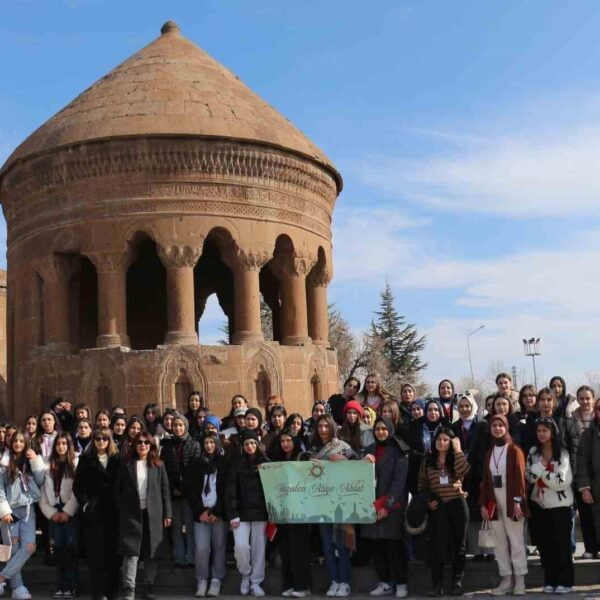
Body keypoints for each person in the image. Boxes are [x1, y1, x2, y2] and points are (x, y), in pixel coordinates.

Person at [115, 431, 172, 600]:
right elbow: (118, 489)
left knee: (150, 551)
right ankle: (129, 588)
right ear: (134, 445)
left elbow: (165, 490)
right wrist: (122, 508)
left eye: (146, 443)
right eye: (139, 442)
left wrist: (168, 513)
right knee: (131, 552)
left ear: (151, 446)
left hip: (152, 513)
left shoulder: (158, 464)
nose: (142, 445)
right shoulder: (126, 464)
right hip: (132, 514)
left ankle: (149, 585)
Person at [307, 414, 357, 597]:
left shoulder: (343, 447)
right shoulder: (312, 448)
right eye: (319, 426)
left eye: (326, 426)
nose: (323, 430)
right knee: (327, 545)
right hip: (320, 503)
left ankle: (345, 582)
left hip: (341, 503)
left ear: (332, 427)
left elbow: (358, 467)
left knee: (342, 545)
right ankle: (334, 580)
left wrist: (343, 461)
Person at [479, 414, 528, 596]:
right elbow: (485, 481)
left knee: (516, 541)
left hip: (511, 500)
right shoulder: (489, 452)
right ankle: (506, 578)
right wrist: (483, 504)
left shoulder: (515, 450)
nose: (497, 428)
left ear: (507, 427)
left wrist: (518, 502)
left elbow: (521, 479)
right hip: (494, 502)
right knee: (499, 544)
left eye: (501, 425)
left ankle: (520, 579)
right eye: (494, 425)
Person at [418, 428, 469, 596]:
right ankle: (437, 585)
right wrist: (427, 502)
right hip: (438, 507)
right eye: (439, 439)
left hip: (457, 504)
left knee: (459, 545)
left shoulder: (456, 458)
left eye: (446, 440)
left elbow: (463, 471)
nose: (442, 442)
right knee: (438, 546)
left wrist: (458, 449)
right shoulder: (427, 461)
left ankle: (457, 582)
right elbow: (422, 485)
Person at [526, 418, 574, 594]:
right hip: (540, 506)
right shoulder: (533, 452)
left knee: (562, 545)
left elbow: (562, 481)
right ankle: (550, 580)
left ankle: (565, 582)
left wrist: (542, 473)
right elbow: (529, 476)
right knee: (545, 546)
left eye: (545, 430)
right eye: (538, 431)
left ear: (552, 432)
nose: (541, 434)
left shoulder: (562, 453)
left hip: (560, 506)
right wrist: (540, 467)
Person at [363, 417, 409, 599]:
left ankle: (401, 583)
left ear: (390, 429)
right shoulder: (368, 450)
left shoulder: (400, 450)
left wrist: (387, 507)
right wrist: (362, 462)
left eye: (384, 428)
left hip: (392, 505)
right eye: (377, 429)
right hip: (372, 505)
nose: (380, 432)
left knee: (395, 546)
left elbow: (399, 482)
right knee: (378, 547)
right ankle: (384, 582)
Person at [73, 427, 121, 600]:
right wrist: (86, 505)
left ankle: (112, 591)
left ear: (110, 441)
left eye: (104, 439)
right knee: (96, 555)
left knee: (112, 554)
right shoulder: (86, 460)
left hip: (113, 514)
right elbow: (78, 486)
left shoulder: (117, 459)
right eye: (98, 438)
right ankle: (98, 592)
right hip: (94, 514)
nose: (101, 441)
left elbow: (124, 485)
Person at [0, 431, 46, 600]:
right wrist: (4, 511)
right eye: (15, 441)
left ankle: (2, 577)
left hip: (28, 510)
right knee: (12, 549)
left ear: (26, 443)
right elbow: (0, 490)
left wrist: (35, 460)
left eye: (21, 441)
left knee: (29, 546)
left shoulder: (30, 460)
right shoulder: (4, 463)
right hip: (10, 512)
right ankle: (18, 587)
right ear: (10, 443)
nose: (18, 444)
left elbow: (41, 480)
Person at [268, 429, 311, 597]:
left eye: (288, 440)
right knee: (285, 549)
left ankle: (303, 586)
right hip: (282, 511)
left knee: (298, 550)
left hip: (300, 511)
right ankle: (290, 585)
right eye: (282, 441)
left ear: (294, 441)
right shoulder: (278, 459)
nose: (285, 444)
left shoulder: (303, 457)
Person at [226, 430, 269, 597]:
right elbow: (230, 490)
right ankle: (246, 575)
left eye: (253, 443)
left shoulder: (266, 463)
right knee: (241, 547)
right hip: (241, 514)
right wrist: (233, 514)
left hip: (261, 514)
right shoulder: (237, 464)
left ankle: (256, 582)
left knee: (259, 549)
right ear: (242, 447)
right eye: (246, 444)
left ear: (258, 445)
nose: (250, 447)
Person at [185, 432, 228, 598]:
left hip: (218, 513)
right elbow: (190, 489)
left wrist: (217, 511)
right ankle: (202, 579)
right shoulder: (196, 464)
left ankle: (216, 579)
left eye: (212, 442)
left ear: (217, 444)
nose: (209, 446)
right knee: (202, 548)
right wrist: (200, 511)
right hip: (201, 513)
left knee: (219, 546)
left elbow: (225, 489)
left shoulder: (223, 463)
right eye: (206, 443)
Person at [40, 433, 80, 598]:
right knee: (58, 548)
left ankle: (71, 585)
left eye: (64, 443)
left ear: (69, 445)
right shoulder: (49, 466)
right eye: (58, 444)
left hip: (70, 510)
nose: (61, 446)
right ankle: (61, 585)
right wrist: (52, 513)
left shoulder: (76, 463)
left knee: (70, 549)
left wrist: (68, 511)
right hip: (54, 510)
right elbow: (43, 494)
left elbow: (78, 490)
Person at [451, 391, 487, 561]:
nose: (465, 409)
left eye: (468, 406)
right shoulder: (454, 427)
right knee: (467, 514)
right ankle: (473, 550)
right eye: (461, 406)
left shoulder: (483, 425)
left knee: (482, 513)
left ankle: (486, 550)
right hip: (461, 476)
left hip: (479, 474)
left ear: (473, 406)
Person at [563, 386, 599, 558]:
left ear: (593, 399)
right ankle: (591, 548)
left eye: (588, 398)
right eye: (581, 398)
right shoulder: (571, 419)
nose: (585, 401)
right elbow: (576, 452)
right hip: (581, 473)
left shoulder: (596, 418)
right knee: (586, 514)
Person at [162, 414, 201, 568]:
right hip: (173, 493)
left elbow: (194, 469)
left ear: (186, 426)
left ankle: (191, 558)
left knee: (190, 528)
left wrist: (183, 488)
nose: (178, 428)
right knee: (176, 528)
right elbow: (164, 470)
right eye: (175, 425)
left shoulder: (194, 444)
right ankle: (179, 558)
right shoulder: (167, 446)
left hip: (189, 493)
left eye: (180, 425)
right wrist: (174, 489)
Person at [577, 394, 600, 563]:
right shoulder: (588, 434)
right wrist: (584, 487)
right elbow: (582, 461)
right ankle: (593, 548)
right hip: (595, 484)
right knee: (594, 520)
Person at [407, 400, 444, 495]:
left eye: (436, 410)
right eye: (430, 410)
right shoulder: (416, 427)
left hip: (440, 472)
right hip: (420, 471)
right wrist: (423, 457)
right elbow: (409, 449)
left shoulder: (445, 427)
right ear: (425, 412)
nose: (433, 413)